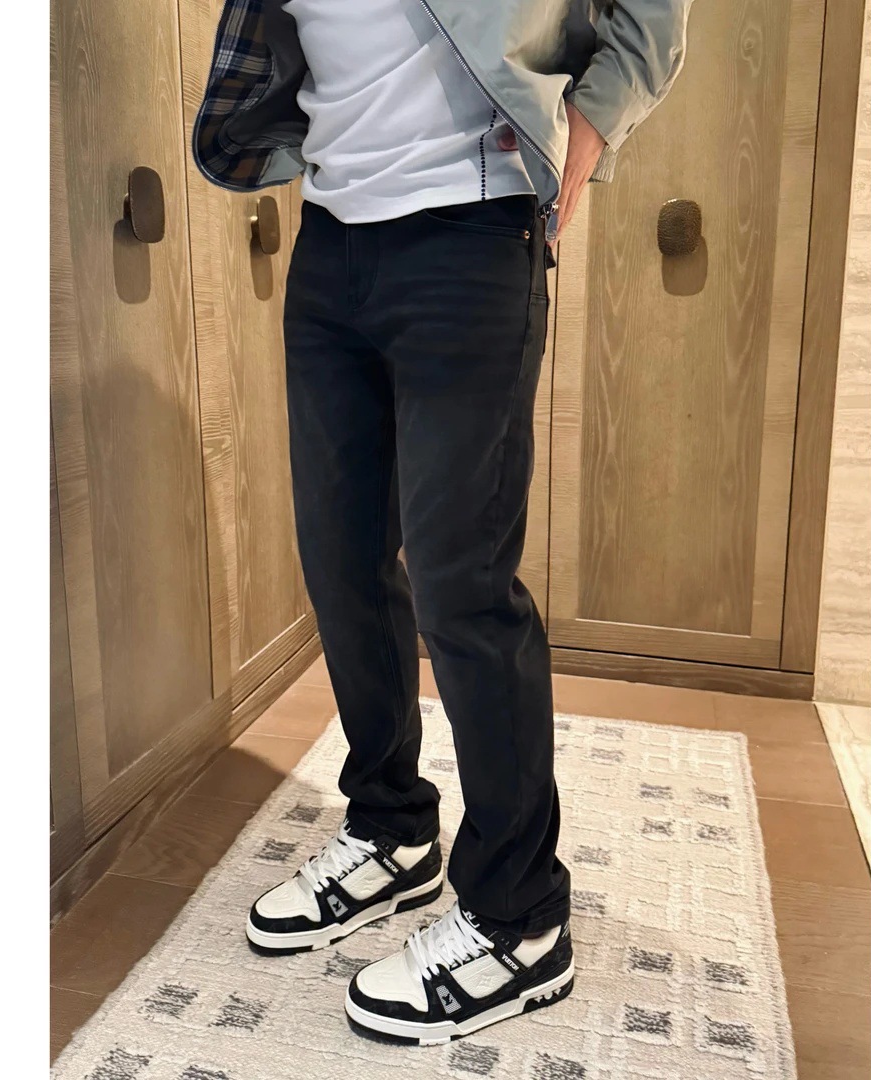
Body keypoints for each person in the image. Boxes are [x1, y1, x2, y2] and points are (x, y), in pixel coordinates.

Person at [193, 0, 689, 1045]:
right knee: (341, 562)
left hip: (471, 225)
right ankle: (391, 827)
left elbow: (651, 15)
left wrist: (583, 140)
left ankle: (519, 916)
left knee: (463, 587)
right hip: (331, 237)